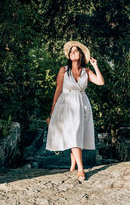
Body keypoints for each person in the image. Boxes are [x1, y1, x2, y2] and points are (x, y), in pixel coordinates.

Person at [45, 41, 104, 181]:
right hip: (66, 105)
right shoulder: (63, 70)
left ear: (81, 55)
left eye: (76, 50)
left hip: (82, 105)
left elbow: (100, 82)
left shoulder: (86, 71)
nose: (73, 52)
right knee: (74, 133)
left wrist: (95, 65)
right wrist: (52, 111)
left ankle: (72, 166)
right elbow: (58, 90)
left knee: (78, 134)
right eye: (71, 51)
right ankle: (81, 170)